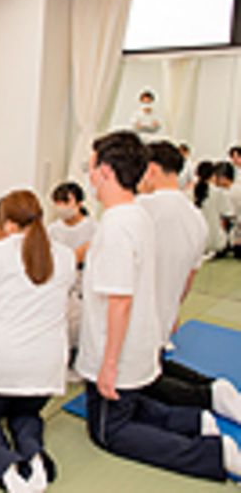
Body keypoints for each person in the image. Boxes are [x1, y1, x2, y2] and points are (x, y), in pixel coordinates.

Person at [75, 131, 241, 484]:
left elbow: (119, 301)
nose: (87, 176)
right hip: (140, 343)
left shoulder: (118, 225)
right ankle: (196, 421)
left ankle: (213, 452)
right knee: (130, 406)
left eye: (89, 168)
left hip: (118, 350)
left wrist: (108, 366)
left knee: (109, 431)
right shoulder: (136, 214)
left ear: (105, 171)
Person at [0, 191, 75, 493]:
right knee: (25, 414)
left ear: (9, 224)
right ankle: (34, 457)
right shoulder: (64, 256)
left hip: (1, 365)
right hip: (47, 370)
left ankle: (8, 469)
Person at [137, 142, 241, 423]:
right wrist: (173, 310)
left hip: (137, 316)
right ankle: (215, 386)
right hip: (166, 309)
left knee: (137, 382)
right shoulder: (194, 216)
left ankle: (208, 397)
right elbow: (189, 277)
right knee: (154, 367)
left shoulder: (141, 208)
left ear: (152, 170)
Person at [48, 182, 97, 379]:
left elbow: (84, 257)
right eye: (57, 202)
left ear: (79, 203)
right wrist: (78, 253)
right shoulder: (53, 230)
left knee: (85, 327)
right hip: (61, 284)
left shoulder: (93, 227)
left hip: (85, 284)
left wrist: (74, 256)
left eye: (65, 202)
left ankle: (81, 363)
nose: (61, 207)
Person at [194, 161, 234, 257]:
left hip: (196, 246)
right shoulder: (219, 193)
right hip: (217, 244)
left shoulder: (188, 193)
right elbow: (228, 216)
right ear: (214, 176)